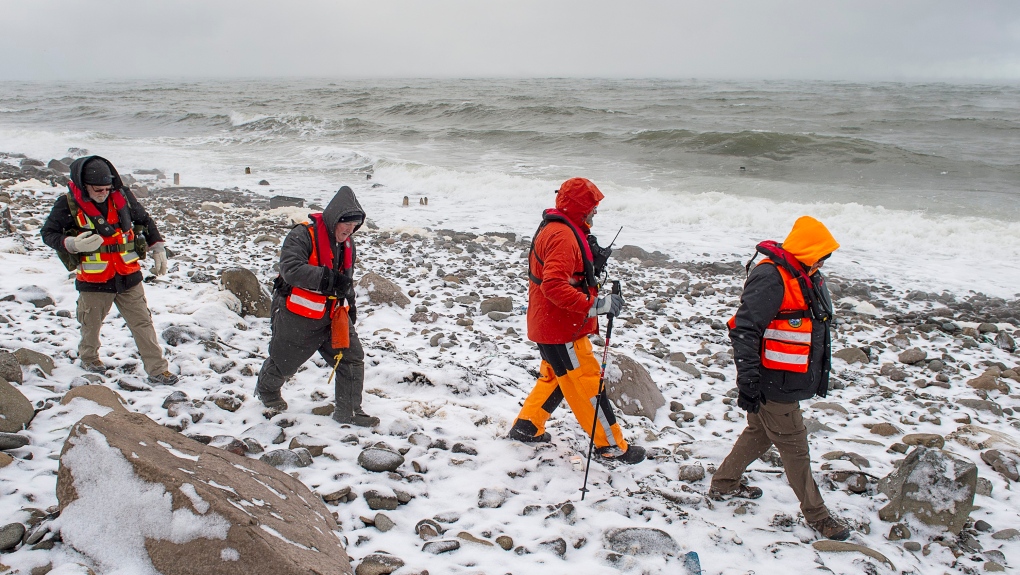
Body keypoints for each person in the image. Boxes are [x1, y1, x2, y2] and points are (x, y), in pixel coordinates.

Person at [710, 216, 850, 541]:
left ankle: (724, 483)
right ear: (808, 250)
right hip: (773, 383)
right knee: (795, 448)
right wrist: (748, 383)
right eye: (821, 254)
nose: (824, 261)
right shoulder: (772, 278)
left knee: (759, 432)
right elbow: (743, 329)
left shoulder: (804, 274)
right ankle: (818, 516)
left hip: (785, 378)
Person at [507, 177, 645, 464]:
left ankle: (527, 427)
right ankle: (611, 447)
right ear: (581, 208)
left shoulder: (558, 228)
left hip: (548, 324)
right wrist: (596, 304)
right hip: (561, 328)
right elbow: (554, 286)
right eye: (593, 207)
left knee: (558, 377)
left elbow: (559, 277)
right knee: (587, 385)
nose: (596, 212)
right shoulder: (563, 236)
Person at [40, 155, 177, 384]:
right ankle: (89, 358)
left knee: (142, 323)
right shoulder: (67, 203)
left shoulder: (122, 196)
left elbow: (145, 219)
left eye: (107, 188)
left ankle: (157, 370)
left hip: (128, 275)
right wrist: (70, 244)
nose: (104, 193)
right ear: (84, 186)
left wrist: (158, 246)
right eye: (98, 189)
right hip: (94, 279)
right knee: (91, 325)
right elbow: (48, 233)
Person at [255, 186, 378, 427]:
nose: (350, 231)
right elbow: (290, 269)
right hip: (297, 315)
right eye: (346, 225)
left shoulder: (347, 244)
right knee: (283, 362)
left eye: (354, 227)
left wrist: (350, 306)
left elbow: (345, 280)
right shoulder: (302, 235)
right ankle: (267, 391)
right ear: (334, 219)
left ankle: (349, 411)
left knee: (352, 359)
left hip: (333, 316)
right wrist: (328, 279)